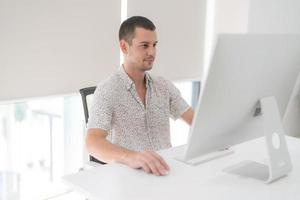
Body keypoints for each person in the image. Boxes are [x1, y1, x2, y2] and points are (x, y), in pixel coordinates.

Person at [86, 16, 194, 176]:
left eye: (154, 45)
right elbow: (93, 142)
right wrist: (132, 157)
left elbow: (195, 120)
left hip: (165, 172)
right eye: (144, 46)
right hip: (131, 178)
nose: (152, 52)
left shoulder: (163, 86)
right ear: (124, 46)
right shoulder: (107, 90)